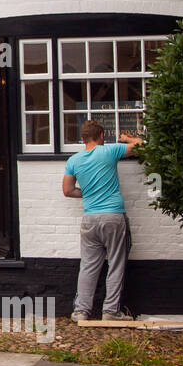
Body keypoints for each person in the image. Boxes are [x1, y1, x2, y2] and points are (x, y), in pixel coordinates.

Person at [62, 120, 144, 322]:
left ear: (83, 139)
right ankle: (111, 312)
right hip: (113, 216)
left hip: (90, 218)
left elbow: (68, 190)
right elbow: (143, 146)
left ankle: (81, 311)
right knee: (116, 264)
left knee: (88, 266)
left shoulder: (73, 160)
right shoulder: (109, 151)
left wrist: (90, 193)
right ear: (101, 137)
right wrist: (128, 139)